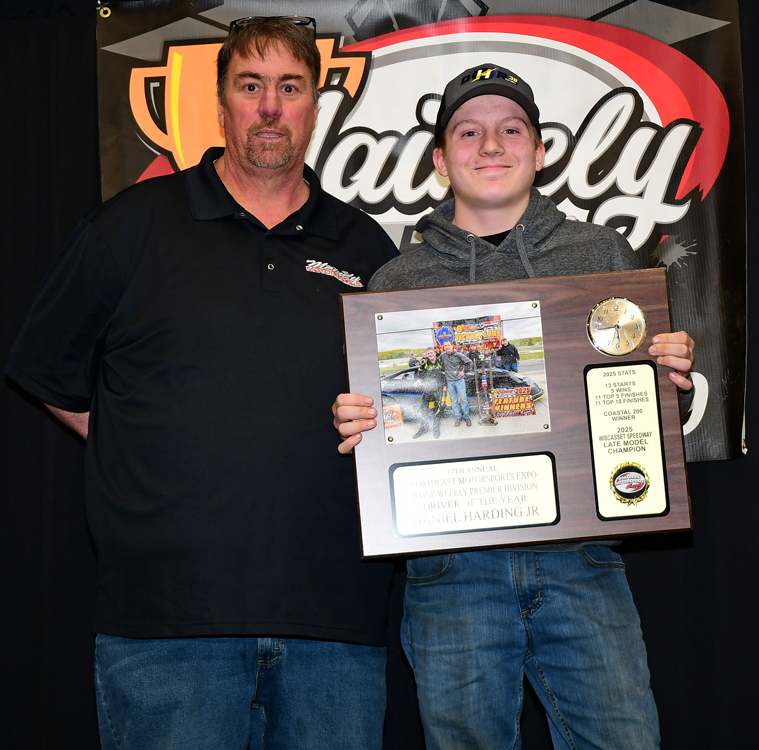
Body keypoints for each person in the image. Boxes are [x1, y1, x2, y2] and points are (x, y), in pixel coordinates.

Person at [5, 17, 399, 750]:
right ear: (221, 105)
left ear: (315, 107)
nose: (270, 107)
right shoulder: (129, 227)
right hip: (165, 625)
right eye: (251, 86)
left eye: (290, 88)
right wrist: (140, 443)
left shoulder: (367, 248)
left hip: (335, 623)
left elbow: (403, 407)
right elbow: (47, 369)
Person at [333, 62, 695, 750]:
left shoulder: (601, 253)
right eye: (468, 132)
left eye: (511, 129)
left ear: (540, 149)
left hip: (581, 557)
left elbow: (643, 422)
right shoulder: (396, 282)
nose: (491, 145)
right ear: (441, 160)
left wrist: (664, 384)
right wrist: (362, 423)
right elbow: (386, 427)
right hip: (451, 569)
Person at [412, 347, 447, 439]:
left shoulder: (440, 361)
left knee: (437, 409)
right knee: (423, 408)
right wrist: (418, 380)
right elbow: (420, 373)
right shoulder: (424, 363)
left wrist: (445, 385)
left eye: (431, 353)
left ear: (434, 353)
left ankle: (436, 428)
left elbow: (444, 374)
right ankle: (424, 428)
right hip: (427, 389)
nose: (430, 355)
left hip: (438, 389)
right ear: (427, 355)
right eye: (428, 353)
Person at [440, 338, 473, 426]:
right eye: (445, 346)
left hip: (459, 381)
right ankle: (458, 417)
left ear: (452, 346)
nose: (447, 347)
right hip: (449, 382)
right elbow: (439, 365)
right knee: (454, 401)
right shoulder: (442, 355)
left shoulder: (458, 354)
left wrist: (464, 372)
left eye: (448, 345)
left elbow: (469, 362)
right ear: (443, 347)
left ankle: (467, 417)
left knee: (463, 399)